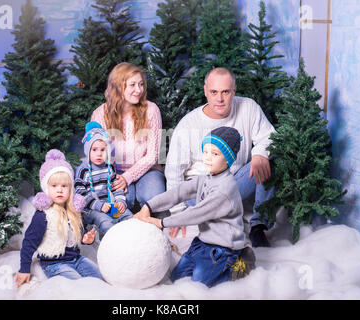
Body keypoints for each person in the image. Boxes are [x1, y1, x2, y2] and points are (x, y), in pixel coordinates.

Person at [164, 67, 276, 247]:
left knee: (268, 161)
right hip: (203, 189)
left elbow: (269, 137)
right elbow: (173, 170)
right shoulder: (188, 124)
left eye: (225, 91)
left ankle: (258, 227)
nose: (220, 99)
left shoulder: (248, 108)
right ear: (205, 91)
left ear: (234, 90)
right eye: (214, 92)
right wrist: (178, 213)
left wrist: (260, 154)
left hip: (235, 180)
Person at [136, 127, 255, 288]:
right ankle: (203, 260)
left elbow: (196, 214)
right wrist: (149, 206)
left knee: (200, 284)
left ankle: (242, 263)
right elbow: (178, 192)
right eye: (205, 152)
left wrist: (161, 223)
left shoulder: (225, 190)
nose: (207, 158)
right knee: (177, 278)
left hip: (224, 248)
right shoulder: (205, 179)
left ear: (227, 159)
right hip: (203, 242)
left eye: (215, 154)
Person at [15, 149, 102, 288]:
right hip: (54, 264)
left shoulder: (74, 212)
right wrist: (24, 269)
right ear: (46, 187)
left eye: (64, 186)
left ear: (70, 189)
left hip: (76, 259)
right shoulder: (43, 215)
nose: (60, 190)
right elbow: (29, 243)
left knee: (99, 281)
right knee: (79, 287)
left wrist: (86, 239)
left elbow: (78, 234)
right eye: (54, 186)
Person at [90, 62, 165, 212]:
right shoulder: (99, 114)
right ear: (118, 87)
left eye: (141, 84)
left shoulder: (151, 110)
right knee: (121, 204)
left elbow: (153, 155)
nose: (139, 90)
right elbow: (97, 153)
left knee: (155, 198)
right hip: (114, 173)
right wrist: (116, 178)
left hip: (148, 169)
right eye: (133, 85)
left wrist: (128, 177)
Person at [74, 121, 134, 235]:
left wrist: (121, 201)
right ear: (88, 150)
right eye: (94, 149)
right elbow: (80, 194)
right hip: (91, 208)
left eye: (103, 150)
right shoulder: (84, 171)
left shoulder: (109, 167)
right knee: (105, 222)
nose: (99, 154)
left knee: (128, 215)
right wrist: (99, 205)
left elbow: (116, 188)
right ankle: (113, 240)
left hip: (109, 204)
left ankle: (134, 237)